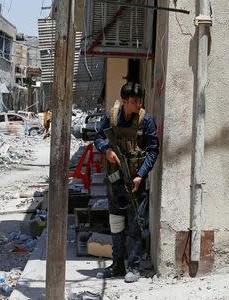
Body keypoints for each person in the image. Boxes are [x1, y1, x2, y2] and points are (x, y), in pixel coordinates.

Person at [94, 82, 159, 283]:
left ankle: (134, 266)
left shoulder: (146, 121)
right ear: (124, 101)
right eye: (134, 101)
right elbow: (98, 138)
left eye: (140, 100)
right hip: (115, 181)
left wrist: (140, 175)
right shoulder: (111, 117)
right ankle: (117, 265)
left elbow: (153, 150)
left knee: (135, 225)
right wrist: (108, 150)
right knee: (116, 224)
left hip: (135, 183)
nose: (138, 104)